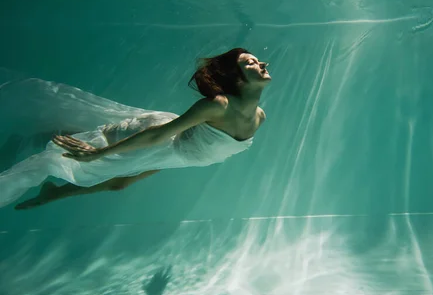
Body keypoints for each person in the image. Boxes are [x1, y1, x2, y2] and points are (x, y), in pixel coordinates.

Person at [0, 48, 271, 210]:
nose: (262, 64)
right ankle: (36, 137)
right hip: (163, 141)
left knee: (119, 183)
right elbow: (157, 136)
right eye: (250, 62)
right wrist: (98, 154)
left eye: (258, 61)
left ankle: (56, 191)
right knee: (82, 153)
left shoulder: (260, 116)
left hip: (177, 156)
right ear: (234, 77)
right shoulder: (217, 106)